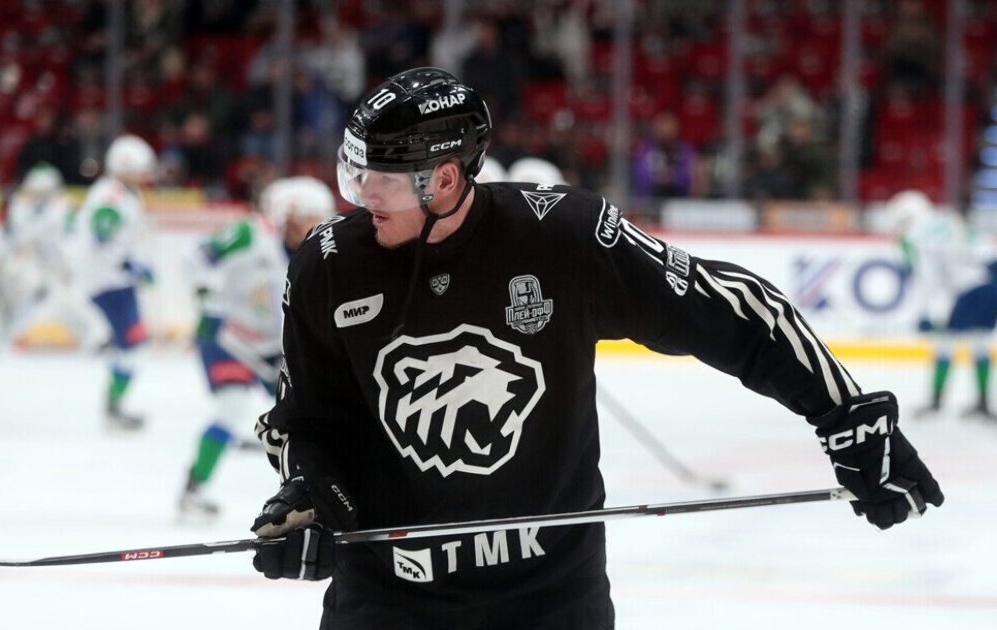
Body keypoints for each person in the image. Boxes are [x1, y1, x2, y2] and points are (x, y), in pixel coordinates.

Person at [247, 67, 944, 629]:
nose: (361, 195)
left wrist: (846, 417)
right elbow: (305, 421)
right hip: (387, 604)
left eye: (380, 179)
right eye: (355, 172)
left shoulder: (562, 236)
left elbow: (734, 311)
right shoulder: (328, 266)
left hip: (550, 605)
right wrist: (310, 494)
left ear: (447, 178)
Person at [178, 176, 337, 520]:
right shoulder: (250, 234)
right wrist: (206, 299)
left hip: (273, 347)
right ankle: (193, 490)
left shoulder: (320, 251)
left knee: (308, 416)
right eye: (310, 217)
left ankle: (318, 494)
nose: (318, 226)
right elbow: (196, 257)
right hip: (228, 340)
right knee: (232, 407)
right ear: (288, 216)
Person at [71, 135, 157, 430]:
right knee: (134, 348)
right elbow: (101, 242)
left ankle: (114, 406)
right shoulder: (112, 198)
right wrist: (130, 264)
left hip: (114, 281)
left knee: (134, 348)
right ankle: (112, 409)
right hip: (108, 283)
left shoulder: (120, 193)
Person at [890, 189, 997, 419]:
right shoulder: (947, 218)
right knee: (980, 344)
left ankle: (936, 402)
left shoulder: (916, 236)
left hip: (966, 291)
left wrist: (927, 314)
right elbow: (984, 249)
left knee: (944, 344)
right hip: (988, 283)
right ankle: (983, 404)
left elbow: (928, 278)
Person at [0, 163, 99, 355]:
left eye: (44, 191)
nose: (39, 196)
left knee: (65, 302)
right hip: (27, 265)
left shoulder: (65, 208)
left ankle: (93, 339)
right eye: (35, 191)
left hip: (56, 265)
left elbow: (75, 239)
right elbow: (9, 237)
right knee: (12, 302)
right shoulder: (19, 206)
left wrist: (71, 266)